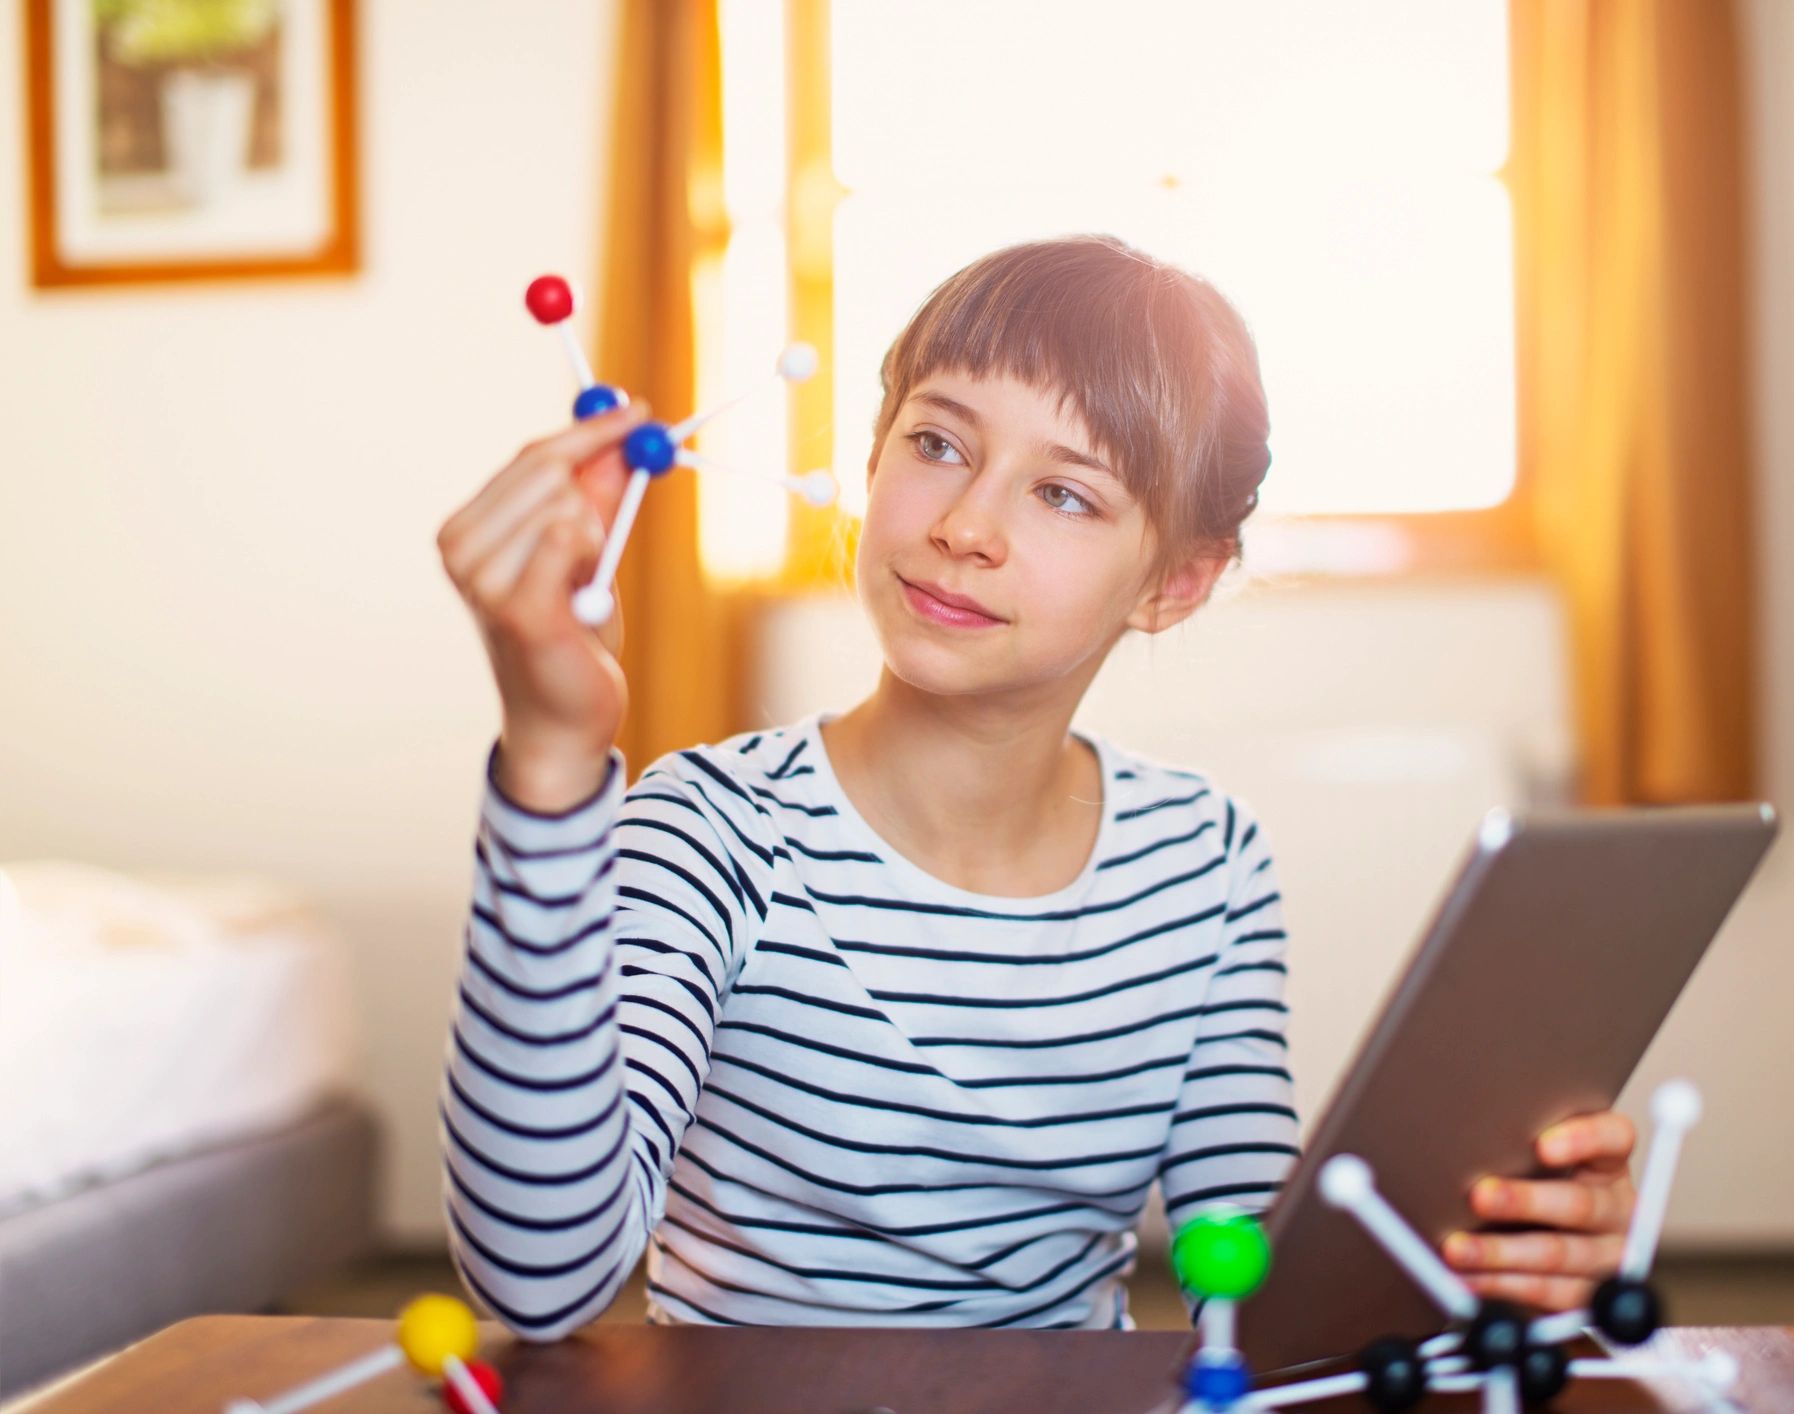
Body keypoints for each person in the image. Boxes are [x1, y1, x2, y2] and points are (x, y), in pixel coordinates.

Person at [434, 234, 1640, 1339]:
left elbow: (1253, 1280)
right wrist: (549, 757)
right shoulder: (708, 829)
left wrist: (1490, 1254)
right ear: (872, 457)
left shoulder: (1202, 860)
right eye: (938, 443)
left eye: (1064, 492)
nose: (965, 524)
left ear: (1175, 582)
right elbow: (537, 1281)